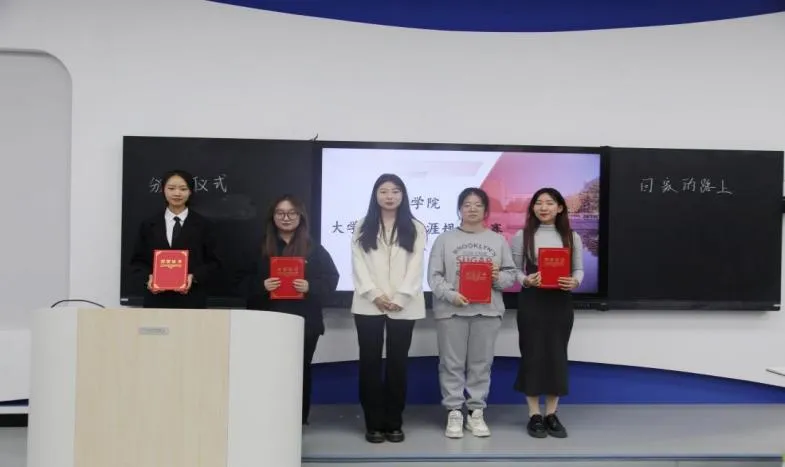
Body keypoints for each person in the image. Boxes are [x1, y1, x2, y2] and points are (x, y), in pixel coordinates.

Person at [427, 187, 517, 439]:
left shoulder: (498, 240)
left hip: (487, 312)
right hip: (452, 311)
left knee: (481, 364)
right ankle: (454, 411)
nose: (472, 209)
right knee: (451, 364)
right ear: (459, 209)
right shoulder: (444, 240)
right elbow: (434, 276)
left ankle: (476, 412)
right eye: (467, 204)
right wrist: (451, 295)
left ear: (486, 210)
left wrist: (497, 277)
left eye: (478, 204)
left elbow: (510, 275)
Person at [244, 194, 339, 425]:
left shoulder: (314, 248)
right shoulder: (259, 246)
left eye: (291, 213)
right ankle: (266, 417)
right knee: (267, 371)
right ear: (273, 217)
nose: (286, 218)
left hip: (304, 322)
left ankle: (298, 420)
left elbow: (331, 279)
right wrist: (261, 285)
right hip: (266, 321)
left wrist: (310, 286)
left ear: (300, 216)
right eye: (280, 213)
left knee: (300, 371)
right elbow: (237, 281)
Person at [350, 173, 427, 444]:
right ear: (375, 195)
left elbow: (416, 266)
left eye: (395, 191)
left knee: (398, 363)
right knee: (369, 363)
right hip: (368, 303)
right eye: (384, 191)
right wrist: (375, 294)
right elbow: (358, 264)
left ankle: (394, 422)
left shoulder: (416, 227)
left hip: (404, 305)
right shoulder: (362, 226)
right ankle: (373, 423)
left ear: (403, 195)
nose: (389, 196)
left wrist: (401, 297)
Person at [510, 187, 583, 439]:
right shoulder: (522, 235)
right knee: (532, 355)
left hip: (560, 302)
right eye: (538, 203)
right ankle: (534, 415)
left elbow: (579, 269)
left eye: (549, 203)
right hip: (532, 301)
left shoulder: (572, 237)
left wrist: (575, 281)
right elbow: (513, 270)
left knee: (556, 355)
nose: (543, 207)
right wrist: (526, 280)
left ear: (560, 207)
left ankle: (552, 413)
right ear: (533, 208)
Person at [129, 169, 222, 309]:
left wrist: (194, 277)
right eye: (171, 188)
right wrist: (148, 278)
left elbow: (215, 262)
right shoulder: (148, 225)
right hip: (156, 301)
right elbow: (137, 261)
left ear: (190, 192)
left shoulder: (205, 225)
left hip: (191, 300)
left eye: (183, 189)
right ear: (163, 190)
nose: (177, 193)